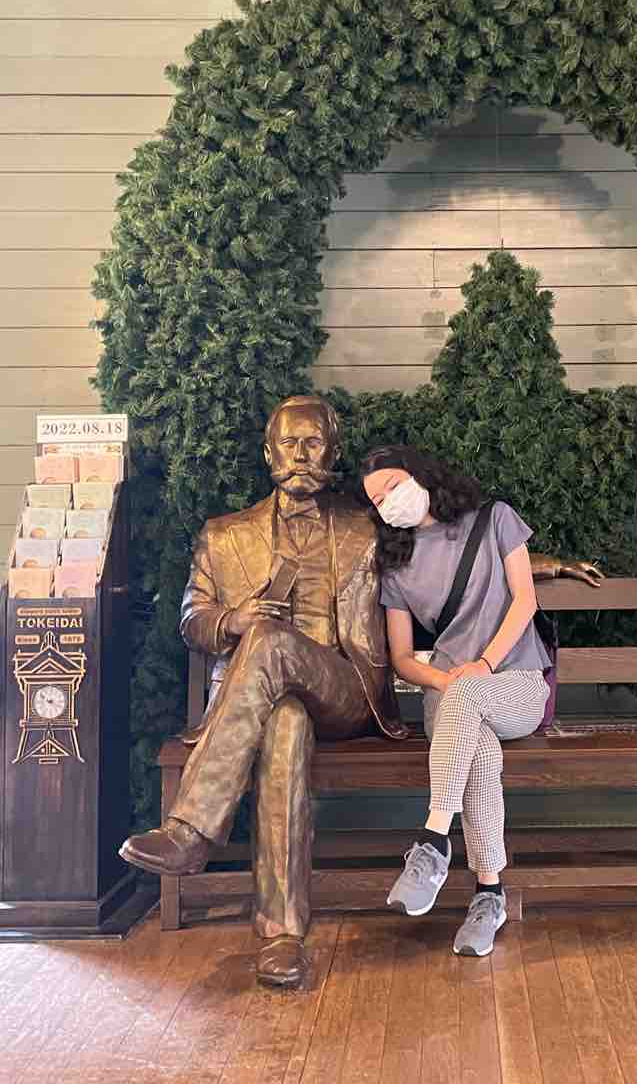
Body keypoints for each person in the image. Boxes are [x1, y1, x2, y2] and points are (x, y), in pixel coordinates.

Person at [119, 395, 600, 989]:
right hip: (268, 701)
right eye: (289, 443)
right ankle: (283, 938)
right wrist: (232, 620)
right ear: (268, 453)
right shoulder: (224, 536)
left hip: (346, 689)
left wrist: (549, 563)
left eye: (313, 443)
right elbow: (192, 621)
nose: (300, 454)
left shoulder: (364, 530)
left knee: (270, 642)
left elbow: (459, 540)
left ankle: (192, 831)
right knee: (284, 718)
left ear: (332, 453)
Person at [360, 445, 601, 957]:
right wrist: (446, 681)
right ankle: (490, 896)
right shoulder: (396, 566)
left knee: (470, 696)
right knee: (482, 756)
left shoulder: (495, 519)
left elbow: (525, 601)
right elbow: (401, 657)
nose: (388, 502)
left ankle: (432, 842)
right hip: (448, 693)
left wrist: (484, 667)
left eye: (392, 485)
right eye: (377, 500)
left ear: (419, 474)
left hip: (515, 683)